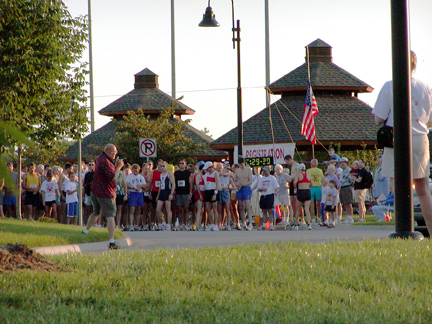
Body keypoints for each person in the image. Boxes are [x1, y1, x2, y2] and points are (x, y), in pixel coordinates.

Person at [372, 51, 432, 234]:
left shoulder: (389, 86)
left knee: (398, 186)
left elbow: (378, 118)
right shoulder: (424, 87)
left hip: (397, 139)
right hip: (421, 138)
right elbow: (430, 120)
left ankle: (404, 229)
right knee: (422, 189)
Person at [82, 144, 124, 250]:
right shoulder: (105, 162)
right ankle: (111, 241)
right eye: (114, 152)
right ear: (108, 151)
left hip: (95, 191)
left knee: (96, 212)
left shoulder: (100, 158)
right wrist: (118, 167)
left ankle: (85, 231)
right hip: (105, 193)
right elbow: (113, 177)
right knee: (110, 216)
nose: (115, 154)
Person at [257, 166, 279, 230]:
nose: (264, 172)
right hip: (263, 195)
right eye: (264, 171)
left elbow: (277, 187)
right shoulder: (262, 178)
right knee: (264, 210)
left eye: (265, 171)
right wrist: (262, 189)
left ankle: (271, 224)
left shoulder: (272, 178)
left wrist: (276, 192)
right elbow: (259, 188)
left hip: (270, 195)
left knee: (270, 210)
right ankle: (264, 224)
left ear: (269, 171)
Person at [234, 157, 253, 230]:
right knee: (240, 206)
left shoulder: (248, 169)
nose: (241, 165)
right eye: (240, 163)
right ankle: (243, 222)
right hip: (239, 188)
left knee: (247, 206)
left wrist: (243, 184)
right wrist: (237, 185)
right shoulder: (237, 171)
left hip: (246, 188)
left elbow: (250, 181)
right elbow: (235, 180)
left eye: (242, 163)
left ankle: (250, 222)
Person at [156, 162, 176, 231]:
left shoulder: (169, 173)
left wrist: (171, 194)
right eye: (161, 166)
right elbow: (160, 185)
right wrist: (158, 195)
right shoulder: (161, 174)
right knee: (158, 209)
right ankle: (163, 222)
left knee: (168, 209)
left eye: (163, 166)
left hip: (168, 191)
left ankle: (169, 224)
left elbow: (173, 184)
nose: (162, 167)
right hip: (162, 192)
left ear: (167, 166)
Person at [126, 164, 146, 231]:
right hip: (132, 193)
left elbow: (145, 185)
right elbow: (127, 185)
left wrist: (141, 186)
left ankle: (136, 224)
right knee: (132, 209)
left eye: (136, 169)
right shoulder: (129, 177)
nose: (135, 171)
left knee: (139, 209)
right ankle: (131, 225)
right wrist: (133, 188)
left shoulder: (141, 177)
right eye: (134, 169)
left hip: (139, 193)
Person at [293, 163, 312, 230]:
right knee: (307, 209)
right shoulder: (308, 175)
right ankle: (309, 224)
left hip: (301, 191)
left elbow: (295, 182)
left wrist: (296, 186)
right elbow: (311, 184)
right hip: (307, 191)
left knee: (298, 208)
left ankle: (296, 225)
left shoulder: (298, 174)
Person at [174, 159, 192, 230]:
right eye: (180, 163)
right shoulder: (176, 173)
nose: (181, 164)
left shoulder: (188, 173)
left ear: (185, 165)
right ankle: (180, 223)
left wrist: (190, 193)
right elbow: (174, 183)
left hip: (186, 193)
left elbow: (190, 184)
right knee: (179, 209)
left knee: (186, 208)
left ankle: (186, 223)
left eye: (183, 163)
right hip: (178, 193)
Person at [203, 161, 220, 231]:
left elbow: (217, 183)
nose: (206, 170)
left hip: (213, 191)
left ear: (211, 167)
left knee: (215, 209)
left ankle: (216, 225)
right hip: (208, 191)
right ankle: (211, 224)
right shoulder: (207, 174)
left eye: (207, 168)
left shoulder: (215, 173)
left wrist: (215, 193)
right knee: (208, 209)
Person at [218, 163, 235, 230]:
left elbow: (234, 187)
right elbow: (221, 173)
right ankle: (219, 224)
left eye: (229, 169)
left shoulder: (229, 178)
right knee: (220, 209)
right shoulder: (220, 174)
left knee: (227, 209)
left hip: (226, 192)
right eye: (226, 168)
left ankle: (228, 224)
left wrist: (228, 187)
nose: (227, 170)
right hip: (220, 191)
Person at [339, 157, 355, 224]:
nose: (342, 164)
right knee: (345, 203)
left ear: (346, 163)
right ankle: (348, 217)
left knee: (348, 203)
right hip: (342, 187)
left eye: (343, 162)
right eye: (341, 163)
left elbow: (352, 179)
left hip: (348, 187)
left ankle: (350, 218)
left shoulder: (349, 170)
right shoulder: (342, 171)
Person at [83, 160, 95, 225]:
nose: (91, 166)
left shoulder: (96, 174)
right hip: (88, 194)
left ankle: (95, 223)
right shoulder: (87, 174)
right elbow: (84, 184)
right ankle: (87, 222)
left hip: (94, 194)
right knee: (87, 209)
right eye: (90, 165)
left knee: (95, 210)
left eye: (92, 165)